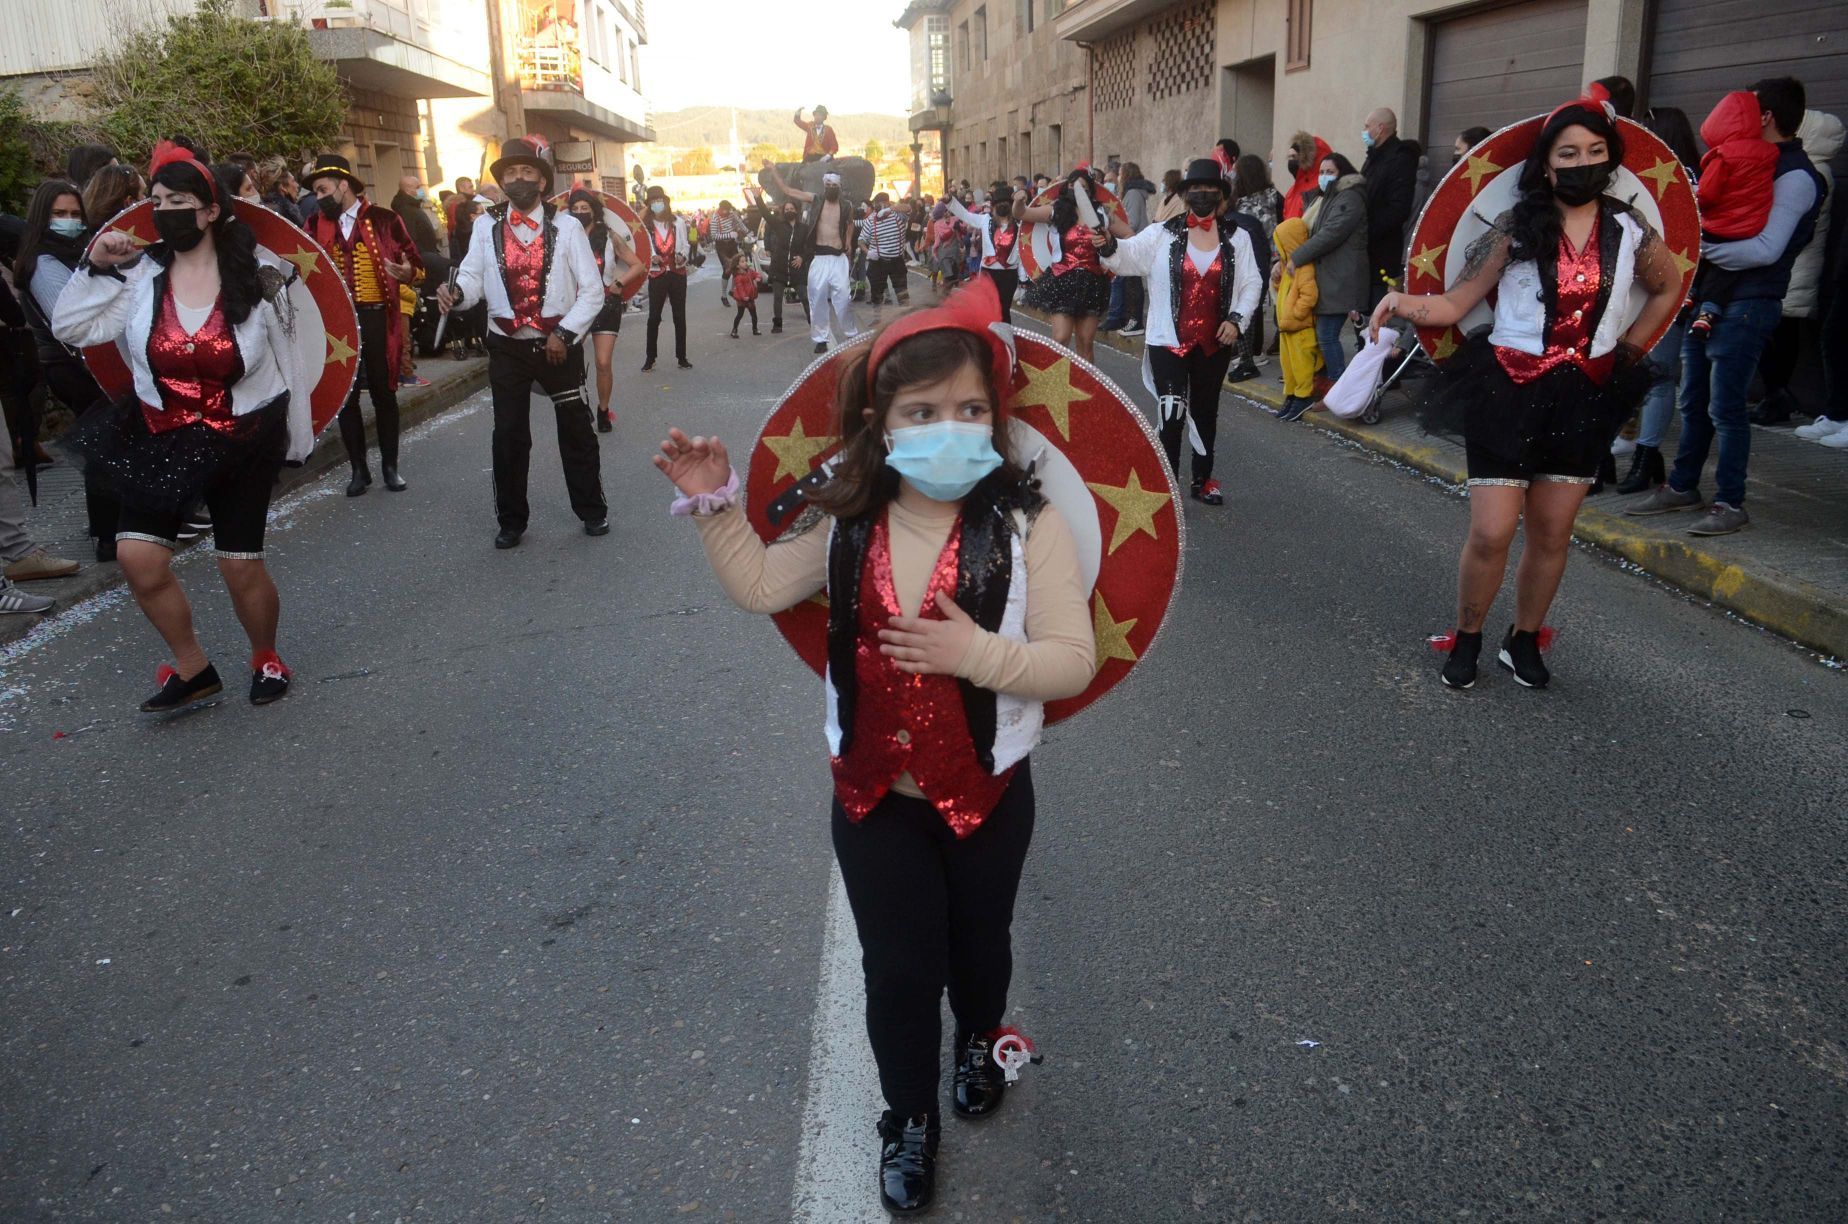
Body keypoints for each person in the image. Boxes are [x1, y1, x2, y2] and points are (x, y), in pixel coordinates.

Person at [651, 277, 1096, 1216]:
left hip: (989, 793)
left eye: (971, 410)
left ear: (997, 417)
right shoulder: (852, 524)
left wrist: (973, 653)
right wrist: (715, 507)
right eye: (924, 410)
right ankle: (908, 1117)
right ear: (881, 423)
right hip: (875, 800)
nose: (950, 427)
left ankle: (979, 1041)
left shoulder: (1029, 524)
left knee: (981, 945)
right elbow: (765, 586)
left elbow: (1070, 659)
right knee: (899, 970)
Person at [1369, 87, 1683, 688]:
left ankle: (1524, 639)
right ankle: (1468, 636)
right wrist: (1401, 302)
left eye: (1594, 151)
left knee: (1552, 532)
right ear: (1546, 162)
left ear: (1611, 158)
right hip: (1507, 389)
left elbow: (1667, 288)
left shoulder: (1630, 229)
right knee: (1490, 533)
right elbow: (1459, 301)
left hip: (1586, 394)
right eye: (1568, 153)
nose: (1581, 163)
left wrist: (1630, 353)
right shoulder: (1515, 226)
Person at [53, 143, 317, 709]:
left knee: (238, 564)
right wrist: (95, 264)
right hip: (163, 429)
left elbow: (292, 360)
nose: (165, 209)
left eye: (179, 200)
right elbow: (71, 328)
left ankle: (265, 656)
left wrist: (298, 440)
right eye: (156, 200)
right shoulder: (139, 277)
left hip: (244, 432)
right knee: (138, 560)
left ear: (211, 209)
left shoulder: (261, 275)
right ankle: (194, 668)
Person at [1629, 76, 1825, 535]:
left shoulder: (1795, 175)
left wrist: (1692, 247)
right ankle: (1683, 486)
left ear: (1765, 117)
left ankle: (1730, 503)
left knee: (1725, 407)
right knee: (1693, 401)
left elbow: (1764, 250)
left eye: (1746, 109)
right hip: (1711, 300)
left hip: (1750, 304)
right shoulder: (1751, 162)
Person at [437, 136, 609, 549]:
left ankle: (592, 511)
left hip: (558, 345)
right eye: (510, 173)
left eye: (526, 172)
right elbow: (474, 277)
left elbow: (592, 291)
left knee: (575, 429)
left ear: (542, 181)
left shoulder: (567, 227)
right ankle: (511, 521)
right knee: (509, 434)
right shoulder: (485, 226)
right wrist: (457, 293)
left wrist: (564, 334)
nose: (518, 179)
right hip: (507, 345)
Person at [1097, 157, 1261, 505]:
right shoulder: (1161, 234)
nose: (1203, 196)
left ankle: (1202, 480)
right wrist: (1107, 243)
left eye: (1210, 191)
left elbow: (1252, 283)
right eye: (1195, 190)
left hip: (1215, 343)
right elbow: (1127, 257)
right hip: (1167, 341)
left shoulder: (1239, 238)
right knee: (1171, 415)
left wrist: (1236, 320)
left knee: (1205, 412)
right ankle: (1167, 487)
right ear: (1185, 195)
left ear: (1221, 195)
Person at [301, 153, 424, 496]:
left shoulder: (385, 218)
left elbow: (418, 265)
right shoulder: (313, 225)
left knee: (384, 392)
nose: (319, 197)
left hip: (376, 317)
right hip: (338, 321)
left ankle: (390, 466)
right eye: (315, 191)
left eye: (323, 189)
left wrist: (407, 274)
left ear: (344, 185)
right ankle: (358, 470)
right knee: (346, 396)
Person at [12, 179, 109, 568]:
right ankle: (107, 533)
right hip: (71, 365)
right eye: (58, 215)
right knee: (102, 447)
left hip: (82, 363)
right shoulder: (44, 262)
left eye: (73, 214)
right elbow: (68, 319)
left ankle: (114, 529)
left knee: (107, 443)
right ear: (41, 218)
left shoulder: (74, 254)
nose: (68, 222)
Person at [1616, 104, 1703, 493]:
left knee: (1658, 375)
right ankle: (1623, 454)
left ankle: (1645, 456)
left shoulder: (1688, 183)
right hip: (1633, 288)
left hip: (1665, 291)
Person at [1758, 108, 1842, 427]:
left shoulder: (1811, 173)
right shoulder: (1812, 169)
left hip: (1794, 267)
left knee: (1779, 336)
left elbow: (1800, 224)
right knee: (1778, 334)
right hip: (1794, 265)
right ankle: (1774, 396)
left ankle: (1777, 397)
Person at [1684, 91, 1781, 345]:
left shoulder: (1724, 155)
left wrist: (1693, 198)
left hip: (1720, 224)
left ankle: (1689, 295)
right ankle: (1708, 314)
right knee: (1726, 270)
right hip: (1749, 226)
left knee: (1702, 256)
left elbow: (1707, 194)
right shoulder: (1769, 153)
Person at [1018, 166, 1131, 362]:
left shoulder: (1101, 213)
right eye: (1072, 185)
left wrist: (1111, 249)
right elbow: (1022, 214)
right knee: (1060, 338)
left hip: (1093, 282)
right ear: (1066, 187)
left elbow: (1130, 234)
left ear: (1090, 190)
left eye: (1083, 187)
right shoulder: (1056, 210)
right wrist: (1018, 200)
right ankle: (1058, 386)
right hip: (1062, 281)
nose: (1077, 190)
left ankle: (1086, 389)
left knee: (1086, 343)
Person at [1281, 151, 1368, 389]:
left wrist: (1297, 257)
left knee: (1327, 335)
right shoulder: (1330, 197)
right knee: (1325, 336)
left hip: (1341, 279)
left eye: (1330, 172)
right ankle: (1331, 383)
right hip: (1331, 278)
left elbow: (1330, 234)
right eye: (1321, 172)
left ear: (1343, 173)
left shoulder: (1349, 198)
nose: (1324, 176)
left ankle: (1340, 386)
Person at [763, 162, 860, 355]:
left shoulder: (847, 205)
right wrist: (774, 170)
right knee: (817, 299)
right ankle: (820, 339)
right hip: (820, 257)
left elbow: (850, 224)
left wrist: (848, 241)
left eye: (835, 186)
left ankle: (851, 334)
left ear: (839, 187)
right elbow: (788, 190)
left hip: (838, 257)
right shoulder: (815, 200)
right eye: (829, 185)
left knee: (843, 298)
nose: (831, 188)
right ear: (825, 186)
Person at [567, 189, 642, 432]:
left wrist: (619, 283)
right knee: (573, 361)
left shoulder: (610, 237)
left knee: (603, 362)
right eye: (575, 209)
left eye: (584, 208)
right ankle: (581, 402)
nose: (580, 213)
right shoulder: (564, 237)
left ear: (594, 211)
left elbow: (637, 265)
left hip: (606, 304)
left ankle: (603, 410)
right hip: (575, 307)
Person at [1360, 108, 1420, 310]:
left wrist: (1367, 231)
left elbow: (1398, 208)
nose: (1364, 130)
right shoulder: (1373, 158)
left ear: (1380, 128)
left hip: (1383, 255)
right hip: (1365, 254)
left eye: (1367, 126)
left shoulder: (1400, 159)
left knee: (1377, 313)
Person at [1231, 154, 1285, 379]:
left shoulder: (1239, 202)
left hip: (1254, 258)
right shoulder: (1275, 197)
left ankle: (1250, 354)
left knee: (1249, 305)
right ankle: (1252, 351)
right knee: (1258, 306)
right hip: (1273, 257)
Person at [943, 183, 1020, 322]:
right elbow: (965, 215)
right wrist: (950, 201)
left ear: (1011, 205)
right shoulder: (985, 220)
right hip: (988, 273)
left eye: (1006, 203)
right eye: (999, 203)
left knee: (1004, 310)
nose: (1002, 206)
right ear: (993, 206)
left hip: (1009, 274)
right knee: (988, 308)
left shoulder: (1019, 225)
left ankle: (1004, 341)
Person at [637, 184, 692, 371]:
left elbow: (685, 245)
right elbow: (643, 246)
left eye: (659, 200)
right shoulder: (646, 226)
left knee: (679, 316)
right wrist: (653, 257)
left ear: (666, 202)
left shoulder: (678, 222)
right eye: (653, 201)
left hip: (677, 273)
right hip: (657, 274)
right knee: (654, 317)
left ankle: (682, 356)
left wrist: (682, 256)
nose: (657, 204)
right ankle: (650, 357)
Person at [1273, 218, 1322, 420]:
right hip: (1288, 328)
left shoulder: (1304, 267)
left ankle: (1304, 396)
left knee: (1302, 366)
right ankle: (1292, 393)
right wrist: (1277, 281)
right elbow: (1285, 291)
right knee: (1289, 366)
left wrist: (1297, 314)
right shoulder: (1288, 268)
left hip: (1300, 329)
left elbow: (1309, 295)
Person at [1102, 162, 1154, 336]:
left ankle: (1135, 321)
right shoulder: (1132, 193)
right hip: (1133, 240)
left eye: (1120, 174)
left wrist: (1115, 226)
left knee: (1133, 283)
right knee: (1128, 283)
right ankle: (1127, 318)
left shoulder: (1132, 194)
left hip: (1133, 240)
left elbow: (1132, 221)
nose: (1117, 178)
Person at [858, 192, 912, 308]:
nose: (876, 206)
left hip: (896, 261)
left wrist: (890, 208)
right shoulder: (871, 220)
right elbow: (861, 240)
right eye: (875, 204)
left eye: (879, 203)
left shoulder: (898, 215)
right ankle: (878, 320)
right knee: (876, 295)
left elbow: (908, 208)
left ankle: (906, 317)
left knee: (902, 292)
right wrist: (868, 252)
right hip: (878, 262)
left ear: (886, 203)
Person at [763, 198, 804, 335]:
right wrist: (758, 198)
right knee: (778, 297)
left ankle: (814, 323)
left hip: (796, 269)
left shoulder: (804, 228)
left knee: (804, 296)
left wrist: (802, 257)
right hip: (778, 268)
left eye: (792, 209)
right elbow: (765, 214)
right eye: (786, 209)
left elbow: (809, 246)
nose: (789, 212)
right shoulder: (778, 225)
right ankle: (777, 324)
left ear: (796, 211)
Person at [1281, 133, 1331, 219]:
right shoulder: (1291, 192)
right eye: (1289, 157)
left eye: (1294, 156)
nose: (1291, 161)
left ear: (1305, 158)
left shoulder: (1320, 187)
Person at [82, 164, 144, 228]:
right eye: (143, 193)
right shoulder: (127, 236)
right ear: (130, 202)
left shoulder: (82, 232)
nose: (147, 199)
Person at [710, 200, 746, 306]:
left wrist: (748, 232)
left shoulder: (732, 215)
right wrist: (729, 234)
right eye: (724, 210)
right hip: (721, 246)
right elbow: (713, 236)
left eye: (728, 210)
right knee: (727, 270)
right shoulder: (715, 218)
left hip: (732, 244)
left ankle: (732, 290)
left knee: (737, 267)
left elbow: (740, 223)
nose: (726, 212)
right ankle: (723, 295)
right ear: (720, 209)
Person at [729, 257, 765, 337]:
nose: (745, 263)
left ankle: (755, 329)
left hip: (750, 298)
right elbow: (739, 287)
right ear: (737, 265)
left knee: (754, 315)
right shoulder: (738, 276)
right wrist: (743, 296)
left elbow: (756, 274)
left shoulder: (749, 271)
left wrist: (758, 277)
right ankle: (734, 330)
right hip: (742, 299)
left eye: (745, 261)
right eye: (742, 261)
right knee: (740, 314)